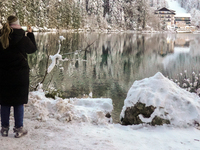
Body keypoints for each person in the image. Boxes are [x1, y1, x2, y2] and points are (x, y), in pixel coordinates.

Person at [0, 16, 37, 138]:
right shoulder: (23, 38)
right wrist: (30, 34)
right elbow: (32, 49)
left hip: (3, 75)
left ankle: (4, 129)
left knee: (4, 102)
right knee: (18, 102)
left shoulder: (1, 37)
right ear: (18, 24)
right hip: (20, 76)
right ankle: (18, 129)